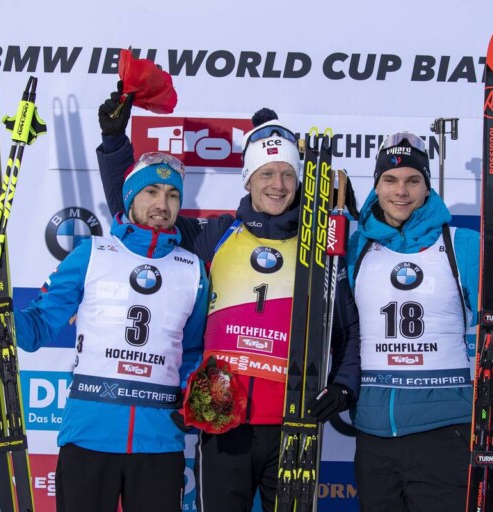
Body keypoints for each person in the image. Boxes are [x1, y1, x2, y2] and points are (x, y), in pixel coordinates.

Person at [96, 91, 360, 512]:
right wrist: (114, 145)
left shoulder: (320, 247)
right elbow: (141, 217)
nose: (277, 185)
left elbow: (349, 329)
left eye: (287, 174)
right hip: (222, 419)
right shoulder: (215, 235)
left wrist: (344, 386)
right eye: (266, 173)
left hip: (294, 422)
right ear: (248, 178)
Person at [0, 152, 209, 512]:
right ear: (130, 197)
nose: (162, 203)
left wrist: (189, 401)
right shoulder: (91, 254)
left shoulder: (193, 270)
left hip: (159, 443)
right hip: (88, 437)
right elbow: (36, 329)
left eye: (172, 195)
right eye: (151, 191)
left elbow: (193, 352)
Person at [346, 132, 493, 512]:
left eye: (412, 180)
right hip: (373, 431)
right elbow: (344, 330)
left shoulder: (461, 244)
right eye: (390, 179)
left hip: (444, 428)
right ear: (376, 185)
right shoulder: (356, 249)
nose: (401, 191)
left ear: (427, 186)